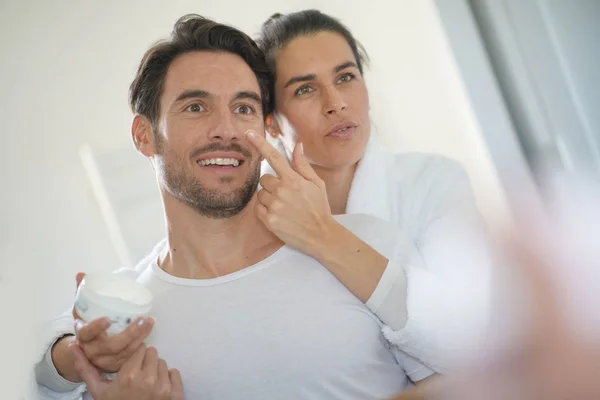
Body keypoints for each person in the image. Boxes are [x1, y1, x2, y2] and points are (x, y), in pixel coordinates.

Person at [32, 14, 435, 400]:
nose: (225, 129)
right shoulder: (127, 321)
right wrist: (71, 357)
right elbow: (46, 376)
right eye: (195, 107)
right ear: (144, 136)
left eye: (243, 108)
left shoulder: (367, 245)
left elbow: (470, 376)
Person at [253, 9, 494, 372]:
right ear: (271, 122)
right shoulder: (252, 219)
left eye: (346, 77)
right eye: (305, 89)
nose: (335, 103)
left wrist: (323, 236)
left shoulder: (433, 181)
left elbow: (474, 337)